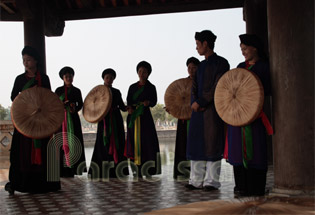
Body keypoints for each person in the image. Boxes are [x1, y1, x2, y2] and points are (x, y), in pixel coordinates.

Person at [5, 46, 61, 194]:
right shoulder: (20, 79)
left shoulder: (44, 78)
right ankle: (20, 183)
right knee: (22, 152)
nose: (25, 62)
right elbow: (13, 97)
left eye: (28, 59)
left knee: (44, 150)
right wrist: (26, 98)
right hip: (25, 121)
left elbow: (49, 98)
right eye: (23, 60)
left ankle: (45, 184)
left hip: (41, 121)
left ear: (35, 60)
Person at [225, 34, 272, 196]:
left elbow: (266, 91)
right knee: (237, 151)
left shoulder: (264, 67)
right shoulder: (240, 66)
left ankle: (256, 188)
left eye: (245, 49)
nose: (243, 52)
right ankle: (241, 187)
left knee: (256, 152)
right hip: (238, 117)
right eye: (241, 49)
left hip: (255, 116)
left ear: (255, 48)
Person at [185, 30, 230, 191]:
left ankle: (211, 182)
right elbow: (194, 87)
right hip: (198, 111)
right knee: (196, 144)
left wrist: (203, 101)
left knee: (212, 144)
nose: (196, 47)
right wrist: (195, 102)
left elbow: (219, 85)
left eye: (198, 44)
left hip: (213, 110)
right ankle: (195, 180)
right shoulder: (200, 66)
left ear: (205, 44)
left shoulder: (222, 63)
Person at [89, 68, 128, 179]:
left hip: (116, 120)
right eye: (107, 77)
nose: (109, 79)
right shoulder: (98, 91)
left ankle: (118, 171)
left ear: (113, 79)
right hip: (103, 121)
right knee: (102, 143)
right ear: (104, 78)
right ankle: (100, 171)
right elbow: (93, 107)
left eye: (111, 78)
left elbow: (122, 106)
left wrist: (128, 108)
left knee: (118, 143)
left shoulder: (116, 92)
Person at [125, 61, 161, 178]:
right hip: (133, 118)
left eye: (144, 72)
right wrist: (129, 108)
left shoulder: (151, 87)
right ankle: (136, 170)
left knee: (147, 143)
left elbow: (154, 102)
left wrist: (148, 103)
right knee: (133, 143)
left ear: (148, 73)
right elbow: (128, 102)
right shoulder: (132, 87)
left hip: (145, 118)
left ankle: (148, 169)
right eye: (140, 71)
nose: (142, 73)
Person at [55, 66, 87, 177]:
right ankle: (62, 170)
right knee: (61, 142)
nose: (68, 78)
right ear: (63, 78)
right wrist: (63, 105)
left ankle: (75, 168)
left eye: (70, 76)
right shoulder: (58, 91)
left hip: (73, 119)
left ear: (73, 77)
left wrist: (74, 107)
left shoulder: (77, 91)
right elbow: (54, 104)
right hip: (61, 120)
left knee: (75, 141)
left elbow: (81, 104)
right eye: (66, 76)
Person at [172, 57, 200, 180]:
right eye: (189, 67)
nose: (191, 70)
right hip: (183, 119)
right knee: (182, 144)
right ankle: (182, 172)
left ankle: (197, 174)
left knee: (196, 144)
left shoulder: (201, 82)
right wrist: (172, 108)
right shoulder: (183, 83)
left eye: (194, 67)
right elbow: (176, 99)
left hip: (197, 118)